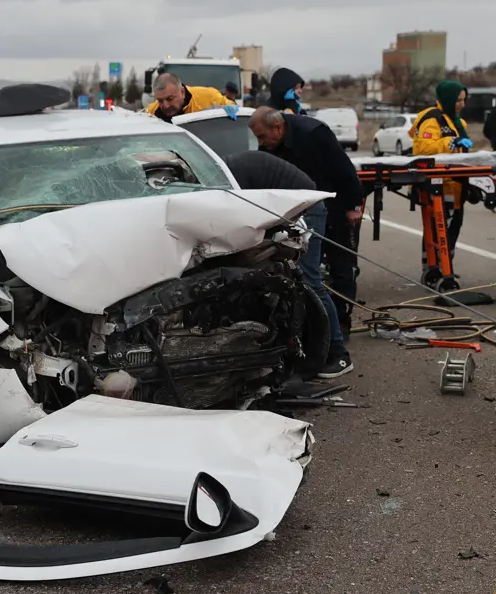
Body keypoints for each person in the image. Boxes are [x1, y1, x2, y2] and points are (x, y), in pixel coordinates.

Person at [249, 107, 364, 379]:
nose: (261, 144)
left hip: (326, 205)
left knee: (324, 274)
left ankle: (338, 350)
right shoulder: (265, 148)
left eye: (264, 137)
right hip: (293, 209)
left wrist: (352, 206)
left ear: (278, 128)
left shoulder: (314, 135)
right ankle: (307, 343)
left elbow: (345, 171)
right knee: (294, 277)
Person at [410, 81, 473, 272]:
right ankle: (432, 268)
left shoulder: (457, 122)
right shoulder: (431, 119)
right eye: (458, 100)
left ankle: (447, 266)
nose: (462, 104)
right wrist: (451, 142)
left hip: (455, 184)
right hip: (437, 185)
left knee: (452, 228)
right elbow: (424, 149)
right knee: (437, 229)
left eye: (464, 100)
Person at [143, 72, 237, 121]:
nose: (165, 105)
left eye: (170, 99)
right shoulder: (151, 113)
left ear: (182, 92)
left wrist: (232, 107)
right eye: (160, 101)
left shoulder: (208, 97)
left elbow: (231, 105)